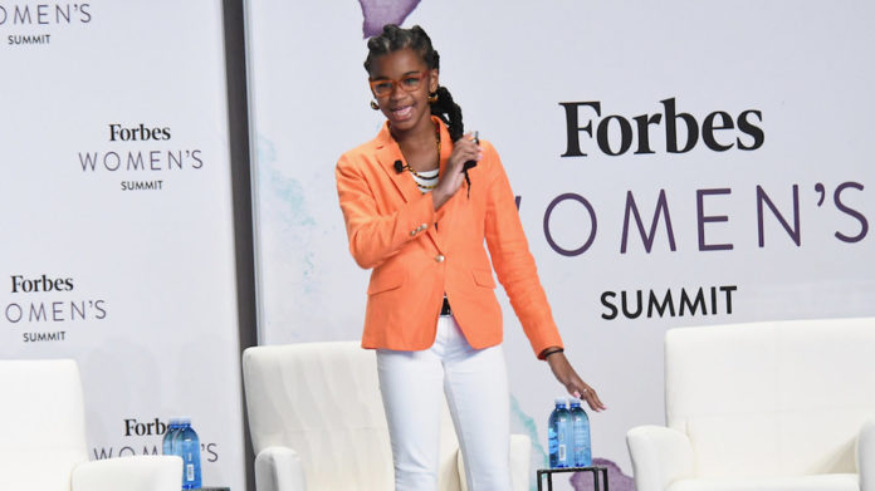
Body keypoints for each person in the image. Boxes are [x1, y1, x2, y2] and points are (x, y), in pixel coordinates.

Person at [335, 24, 606, 491]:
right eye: (384, 85)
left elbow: (514, 260)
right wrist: (437, 195)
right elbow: (365, 247)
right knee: (415, 474)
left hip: (474, 334)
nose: (398, 95)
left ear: (432, 79)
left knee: (492, 474)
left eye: (410, 80)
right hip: (403, 334)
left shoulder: (481, 157)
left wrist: (552, 350)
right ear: (373, 91)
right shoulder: (357, 165)